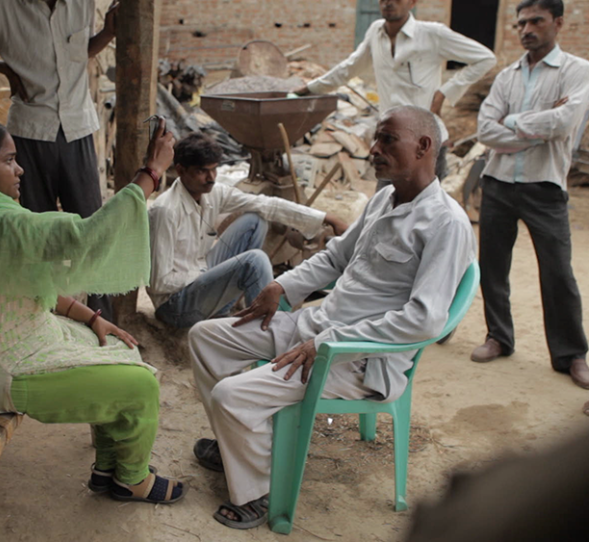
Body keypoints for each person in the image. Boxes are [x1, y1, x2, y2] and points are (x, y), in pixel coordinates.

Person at [188, 106, 475, 529]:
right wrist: (282, 287)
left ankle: (260, 489)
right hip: (316, 327)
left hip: (356, 359)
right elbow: (337, 256)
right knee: (205, 337)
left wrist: (327, 342)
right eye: (375, 140)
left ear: (424, 146)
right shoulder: (383, 197)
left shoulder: (446, 224)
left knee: (231, 395)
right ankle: (245, 444)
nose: (372, 150)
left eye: (386, 140)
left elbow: (425, 320)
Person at [0, 117, 186, 504]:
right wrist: (152, 171)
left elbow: (21, 286)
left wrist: (93, 317)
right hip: (1, 372)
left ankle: (108, 466)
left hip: (20, 343)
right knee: (141, 386)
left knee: (117, 347)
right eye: (9, 161)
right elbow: (85, 238)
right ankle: (133, 479)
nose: (20, 169)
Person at [0, 0, 118, 317]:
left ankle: (102, 321)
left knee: (91, 233)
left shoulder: (82, 3)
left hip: (78, 129)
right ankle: (46, 319)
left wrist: (108, 33)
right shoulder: (0, 8)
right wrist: (0, 67)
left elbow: (77, 54)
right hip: (29, 133)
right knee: (36, 236)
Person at [471, 0, 589, 388]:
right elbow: (485, 130)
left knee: (558, 272)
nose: (527, 29)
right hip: (499, 182)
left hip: (545, 186)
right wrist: (529, 131)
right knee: (493, 266)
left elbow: (564, 122)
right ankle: (499, 337)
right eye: (521, 22)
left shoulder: (578, 72)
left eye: (536, 21)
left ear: (557, 22)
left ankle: (571, 354)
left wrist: (512, 122)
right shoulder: (506, 76)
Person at [148, 132, 348, 328]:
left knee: (255, 219)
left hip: (200, 279)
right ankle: (269, 334)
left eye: (214, 169)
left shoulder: (213, 192)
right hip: (174, 306)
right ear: (181, 170)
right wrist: (209, 275)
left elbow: (266, 204)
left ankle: (229, 310)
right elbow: (159, 282)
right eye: (202, 171)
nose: (211, 178)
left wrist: (326, 218)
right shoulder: (165, 211)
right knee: (255, 260)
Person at [294, 0, 496, 182]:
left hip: (424, 143)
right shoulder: (375, 32)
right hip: (389, 140)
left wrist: (444, 93)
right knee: (384, 206)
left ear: (412, 2)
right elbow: (348, 68)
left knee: (423, 211)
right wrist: (309, 89)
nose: (389, 3)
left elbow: (485, 58)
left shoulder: (432, 34)